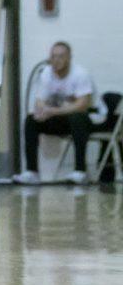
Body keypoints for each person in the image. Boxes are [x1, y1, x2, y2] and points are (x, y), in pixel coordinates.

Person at [14, 41, 95, 185]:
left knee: (77, 118)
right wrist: (42, 111)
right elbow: (39, 100)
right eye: (53, 56)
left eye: (61, 56)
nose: (56, 60)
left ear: (69, 57)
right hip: (62, 118)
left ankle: (80, 171)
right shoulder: (46, 72)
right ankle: (32, 172)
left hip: (92, 119)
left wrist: (52, 111)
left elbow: (83, 105)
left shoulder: (80, 74)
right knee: (31, 120)